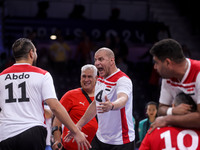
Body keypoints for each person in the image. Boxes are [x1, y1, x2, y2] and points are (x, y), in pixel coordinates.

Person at [0, 38, 91, 150]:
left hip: (5, 134)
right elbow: (55, 107)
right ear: (31, 53)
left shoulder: (1, 77)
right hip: (32, 132)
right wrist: (76, 132)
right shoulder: (42, 75)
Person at [66, 47, 135, 150]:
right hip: (100, 138)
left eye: (101, 59)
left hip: (121, 141)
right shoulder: (100, 79)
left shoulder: (122, 80)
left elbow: (123, 99)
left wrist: (112, 105)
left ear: (112, 61)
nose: (97, 63)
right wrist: (78, 125)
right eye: (95, 60)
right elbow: (95, 104)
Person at [149, 38, 200, 132]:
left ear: (168, 62)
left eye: (156, 62)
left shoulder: (198, 73)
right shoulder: (167, 77)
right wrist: (172, 111)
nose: (155, 67)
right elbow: (161, 109)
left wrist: (167, 119)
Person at [52, 64, 98, 150]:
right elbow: (57, 119)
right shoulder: (70, 95)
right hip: (71, 147)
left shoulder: (103, 97)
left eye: (89, 77)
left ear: (96, 78)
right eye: (83, 76)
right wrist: (57, 140)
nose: (86, 80)